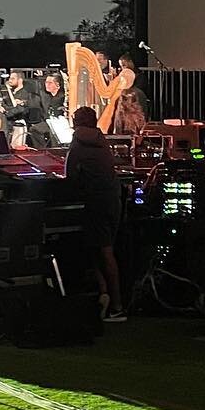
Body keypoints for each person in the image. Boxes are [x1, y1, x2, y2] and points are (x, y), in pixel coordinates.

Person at [64, 106, 126, 321]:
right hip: (113, 200)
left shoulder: (78, 141)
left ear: (75, 121)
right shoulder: (101, 139)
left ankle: (115, 305)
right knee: (101, 249)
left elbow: (70, 176)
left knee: (102, 251)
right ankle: (104, 295)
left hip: (95, 202)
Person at [109, 57, 148, 137]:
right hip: (133, 124)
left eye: (124, 65)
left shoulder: (137, 90)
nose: (123, 68)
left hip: (134, 123)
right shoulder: (125, 93)